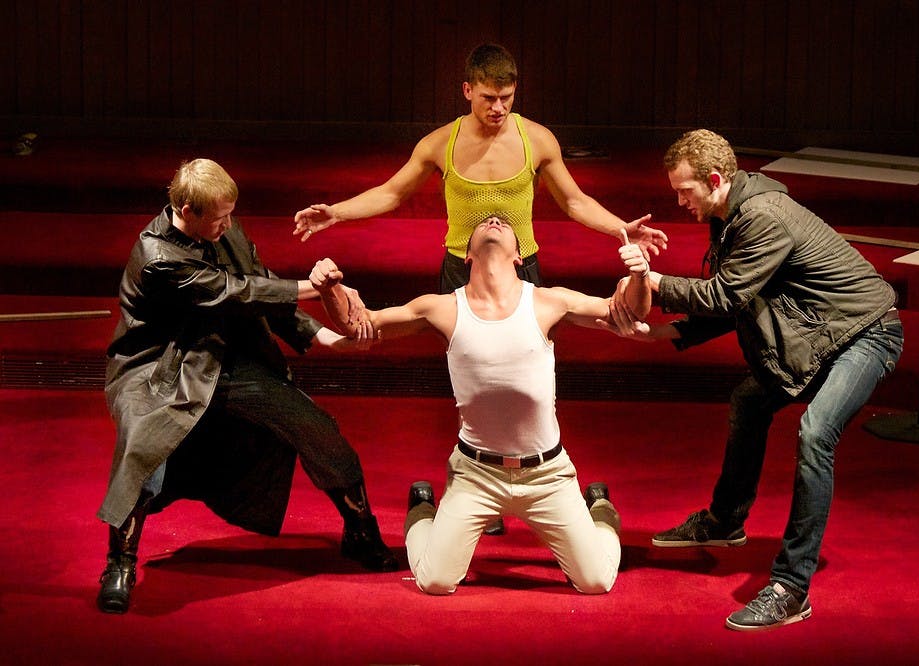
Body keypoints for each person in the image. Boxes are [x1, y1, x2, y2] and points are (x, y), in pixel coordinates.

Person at [296, 42, 665, 535]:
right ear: (467, 90)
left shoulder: (537, 140)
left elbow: (574, 201)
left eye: (507, 98)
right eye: (489, 97)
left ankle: (540, 481)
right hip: (459, 270)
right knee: (468, 374)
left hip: (524, 268)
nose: (498, 108)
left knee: (531, 372)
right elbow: (391, 192)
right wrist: (334, 212)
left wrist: (622, 228)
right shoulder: (439, 144)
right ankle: (475, 481)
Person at [625, 129, 904, 630]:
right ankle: (724, 521)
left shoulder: (761, 217)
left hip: (867, 335)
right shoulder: (730, 214)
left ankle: (792, 587)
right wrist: (666, 333)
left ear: (714, 180)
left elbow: (726, 296)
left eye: (683, 191)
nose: (678, 201)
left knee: (816, 433)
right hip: (824, 336)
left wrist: (654, 282)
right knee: (750, 402)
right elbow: (740, 298)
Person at [95, 159, 397, 615]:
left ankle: (360, 529)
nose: (227, 225)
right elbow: (234, 292)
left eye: (230, 214)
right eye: (217, 218)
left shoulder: (223, 229)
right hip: (161, 368)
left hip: (223, 358)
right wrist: (315, 288)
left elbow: (262, 285)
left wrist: (324, 337)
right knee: (143, 445)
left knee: (313, 425)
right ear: (185, 208)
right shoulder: (156, 256)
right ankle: (119, 560)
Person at [308, 214, 652, 594]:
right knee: (435, 581)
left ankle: (599, 509)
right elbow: (361, 327)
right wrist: (329, 290)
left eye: (504, 222)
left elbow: (629, 312)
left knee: (597, 581)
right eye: (485, 223)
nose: (493, 219)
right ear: (466, 255)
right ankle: (423, 509)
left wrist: (639, 277)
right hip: (476, 474)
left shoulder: (550, 301)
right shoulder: (439, 308)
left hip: (546, 474)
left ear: (520, 257)